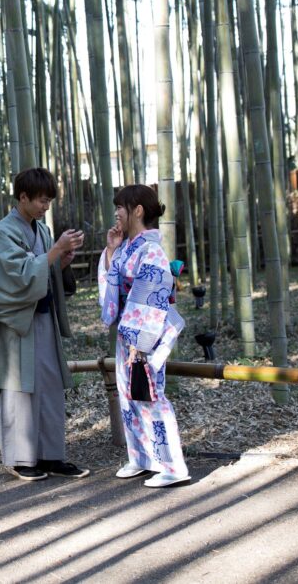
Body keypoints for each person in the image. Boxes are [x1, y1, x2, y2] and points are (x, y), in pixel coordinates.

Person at [0, 168, 89, 481]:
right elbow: (16, 276)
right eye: (42, 200)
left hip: (41, 319)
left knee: (49, 384)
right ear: (23, 197)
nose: (46, 207)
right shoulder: (3, 232)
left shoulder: (40, 231)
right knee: (19, 388)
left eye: (49, 202)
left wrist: (61, 261)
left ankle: (51, 455)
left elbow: (42, 271)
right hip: (14, 324)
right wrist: (54, 252)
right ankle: (21, 458)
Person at [98, 184, 190, 488]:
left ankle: (173, 466)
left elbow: (150, 297)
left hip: (145, 335)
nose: (116, 214)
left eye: (120, 209)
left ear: (137, 210)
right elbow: (114, 280)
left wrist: (139, 342)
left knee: (150, 396)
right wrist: (112, 249)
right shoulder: (129, 246)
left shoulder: (150, 250)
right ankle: (141, 458)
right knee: (129, 396)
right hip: (129, 333)